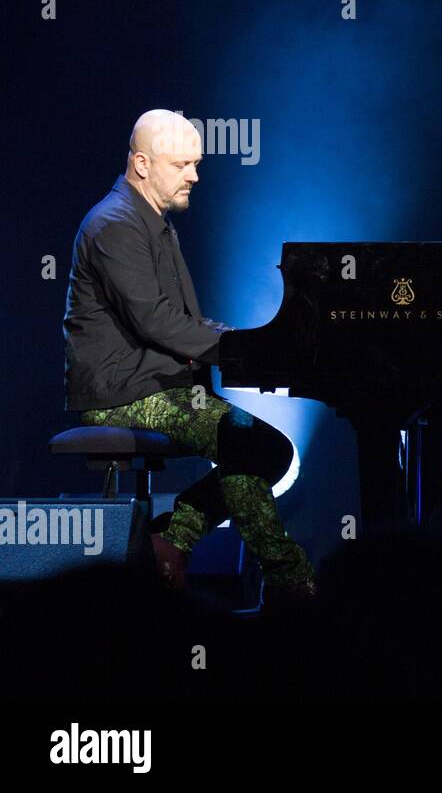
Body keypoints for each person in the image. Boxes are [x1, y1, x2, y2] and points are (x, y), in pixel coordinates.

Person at [63, 109, 315, 602]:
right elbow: (155, 321)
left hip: (160, 388)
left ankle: (171, 540)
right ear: (141, 164)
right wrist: (239, 347)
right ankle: (288, 581)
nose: (195, 175)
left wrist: (245, 345)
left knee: (266, 448)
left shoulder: (152, 222)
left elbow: (181, 323)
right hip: (122, 394)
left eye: (196, 164)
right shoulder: (114, 224)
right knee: (252, 445)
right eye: (182, 165)